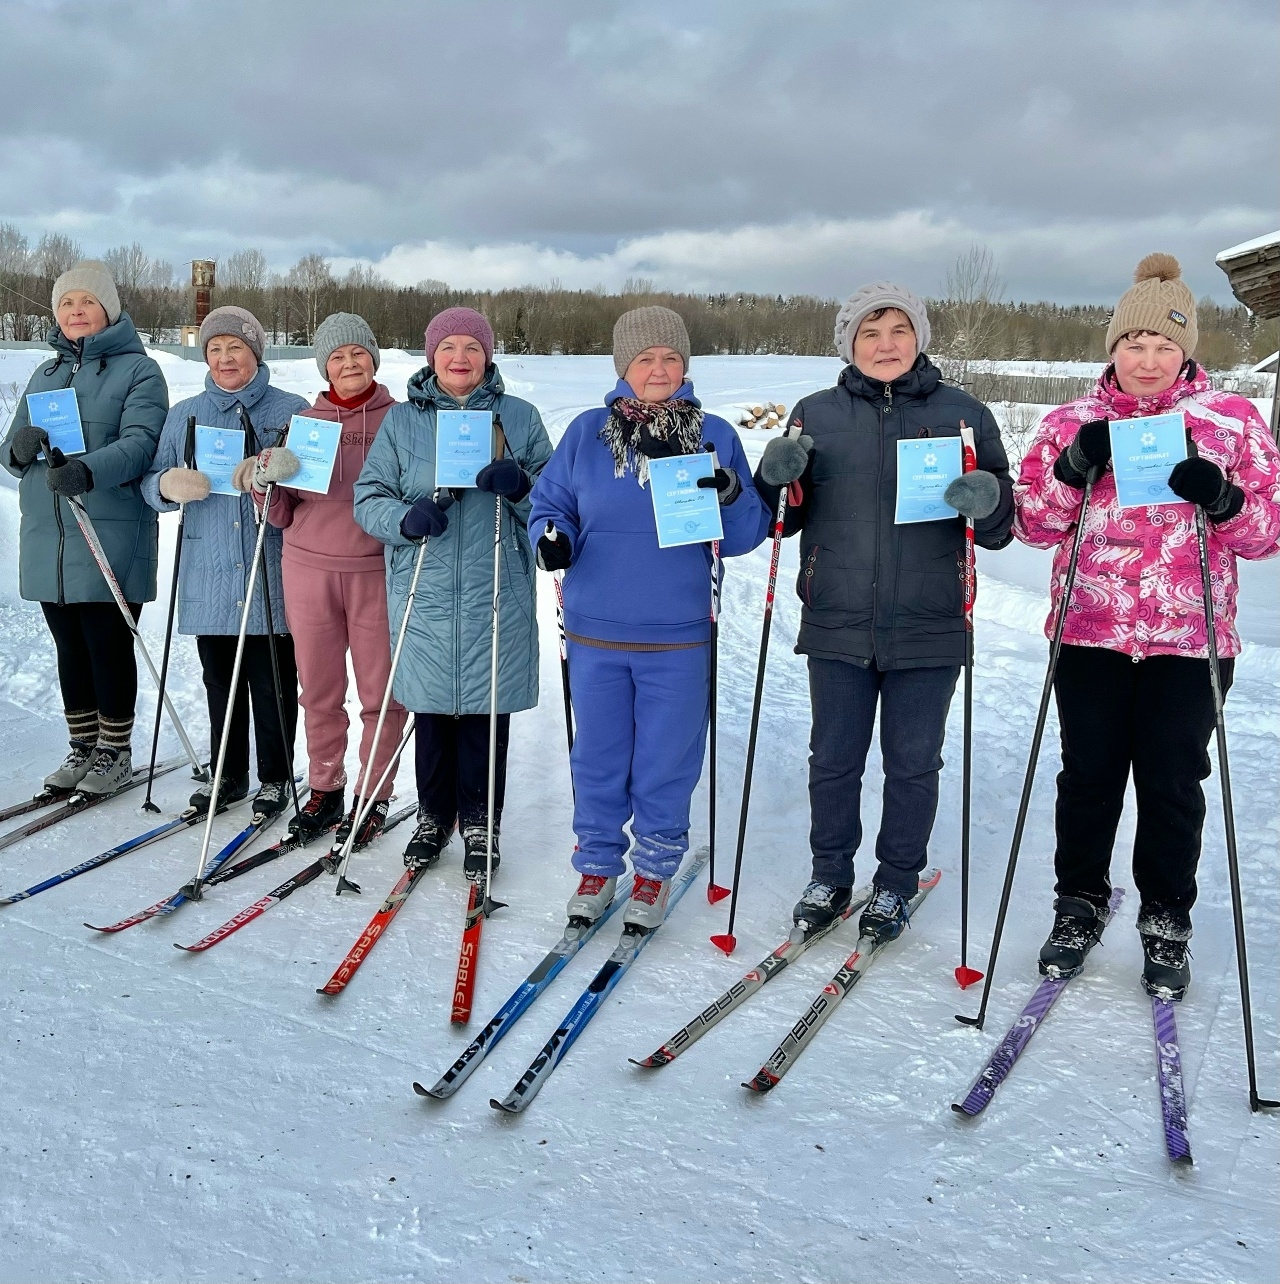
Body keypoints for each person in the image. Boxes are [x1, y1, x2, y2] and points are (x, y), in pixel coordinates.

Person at [1014, 254, 1280, 999]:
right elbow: (1033, 525)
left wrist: (1221, 497)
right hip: (1089, 633)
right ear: (1113, 348)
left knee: (1171, 781)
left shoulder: (1231, 422)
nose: (1149, 360)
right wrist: (1072, 467)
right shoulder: (1072, 421)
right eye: (1134, 344)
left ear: (1187, 349)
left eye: (1165, 345)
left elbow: (1268, 533)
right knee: (1089, 778)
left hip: (1189, 640)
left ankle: (1167, 919)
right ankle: (1080, 904)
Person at [754, 283, 1013, 944]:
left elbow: (999, 526)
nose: (886, 343)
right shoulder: (815, 413)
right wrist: (773, 478)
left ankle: (896, 882)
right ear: (850, 343)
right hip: (838, 617)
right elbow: (783, 519)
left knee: (913, 761)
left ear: (918, 338)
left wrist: (988, 498)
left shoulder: (965, 415)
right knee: (833, 758)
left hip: (931, 618)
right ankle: (829, 875)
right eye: (871, 332)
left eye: (898, 329)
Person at [529, 306, 770, 931]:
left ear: (685, 366)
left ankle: (656, 867)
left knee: (667, 757)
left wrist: (730, 494)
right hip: (592, 629)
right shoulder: (585, 433)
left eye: (670, 358)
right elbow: (551, 504)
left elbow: (747, 536)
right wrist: (551, 537)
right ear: (622, 368)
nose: (658, 369)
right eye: (645, 359)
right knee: (599, 755)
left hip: (680, 633)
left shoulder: (713, 432)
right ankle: (598, 864)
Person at [354, 307, 551, 875]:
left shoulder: (518, 417)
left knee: (488, 710)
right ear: (430, 355)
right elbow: (368, 498)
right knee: (433, 712)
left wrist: (518, 486)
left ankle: (482, 823)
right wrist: (405, 518)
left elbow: (554, 506)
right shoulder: (404, 421)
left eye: (471, 346)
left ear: (487, 354)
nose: (459, 357)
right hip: (427, 587)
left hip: (496, 585)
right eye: (447, 347)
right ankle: (434, 818)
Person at [238, 313, 405, 849]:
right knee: (319, 691)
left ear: (374, 359)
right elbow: (282, 513)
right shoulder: (304, 421)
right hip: (308, 570)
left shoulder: (401, 421)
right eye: (337, 357)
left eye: (358, 353)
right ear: (324, 366)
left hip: (377, 570)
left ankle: (373, 794)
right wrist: (264, 483)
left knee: (381, 692)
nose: (349, 363)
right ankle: (325, 785)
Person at [2, 261, 168, 796]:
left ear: (109, 310)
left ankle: (114, 752)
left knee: (106, 643)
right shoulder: (45, 374)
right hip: (49, 532)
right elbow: (11, 449)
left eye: (87, 302)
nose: (77, 312)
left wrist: (88, 470)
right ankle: (82, 747)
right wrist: (19, 448)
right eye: (67, 304)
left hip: (108, 527)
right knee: (69, 646)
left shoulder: (139, 372)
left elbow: (142, 442)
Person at [142, 306, 307, 818]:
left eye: (235, 347)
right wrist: (169, 485)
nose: (224, 357)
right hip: (209, 568)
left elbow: (313, 489)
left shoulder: (291, 409)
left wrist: (285, 472)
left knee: (273, 680)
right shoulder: (185, 413)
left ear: (255, 352)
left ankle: (276, 776)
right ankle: (228, 772)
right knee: (221, 681)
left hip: (270, 569)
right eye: (215, 348)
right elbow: (150, 484)